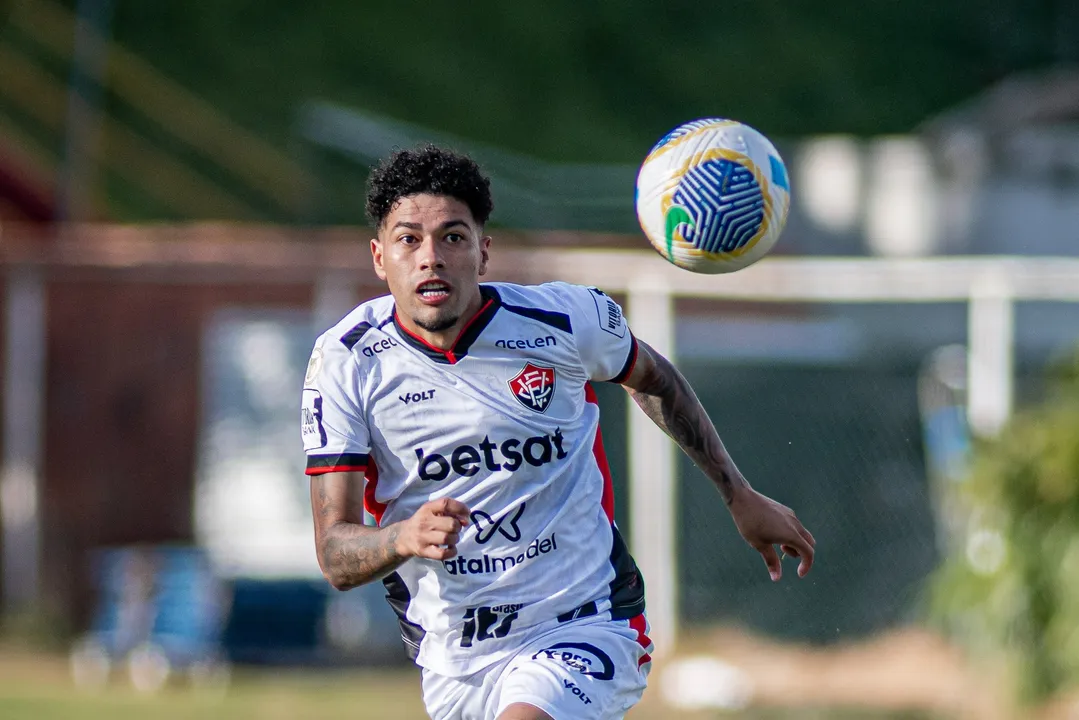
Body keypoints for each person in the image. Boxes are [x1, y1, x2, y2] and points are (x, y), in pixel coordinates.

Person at [300, 144, 816, 720]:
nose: (431, 258)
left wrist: (737, 493)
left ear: (483, 252)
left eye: (453, 237)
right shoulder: (347, 363)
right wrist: (403, 538)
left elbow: (655, 379)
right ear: (379, 257)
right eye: (408, 239)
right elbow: (335, 554)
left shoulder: (565, 321)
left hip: (587, 621)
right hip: (454, 659)